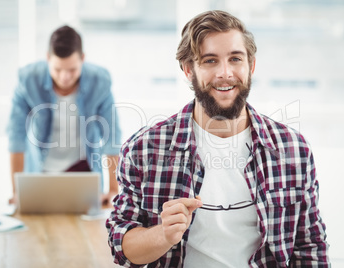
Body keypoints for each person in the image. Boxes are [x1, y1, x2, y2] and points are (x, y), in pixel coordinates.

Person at [106, 10, 330, 267]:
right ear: (189, 69)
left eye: (235, 59)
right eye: (210, 61)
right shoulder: (144, 150)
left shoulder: (293, 149)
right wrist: (163, 234)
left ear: (251, 65)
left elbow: (310, 247)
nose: (225, 73)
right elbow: (121, 246)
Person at [7, 25, 121, 207]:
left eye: (72, 70)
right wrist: (16, 192)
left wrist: (113, 190)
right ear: (48, 58)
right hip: (40, 172)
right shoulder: (28, 79)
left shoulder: (100, 81)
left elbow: (111, 136)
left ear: (83, 59)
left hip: (83, 171)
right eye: (58, 69)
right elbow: (16, 137)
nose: (65, 77)